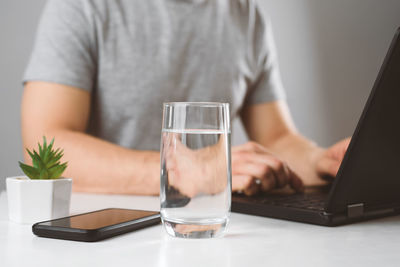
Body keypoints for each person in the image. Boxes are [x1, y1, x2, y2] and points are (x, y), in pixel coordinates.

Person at [21, 0, 350, 196]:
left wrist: (320, 162)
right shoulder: (82, 6)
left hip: (212, 228)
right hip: (104, 236)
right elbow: (43, 144)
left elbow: (276, 138)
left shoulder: (245, 13)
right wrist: (179, 170)